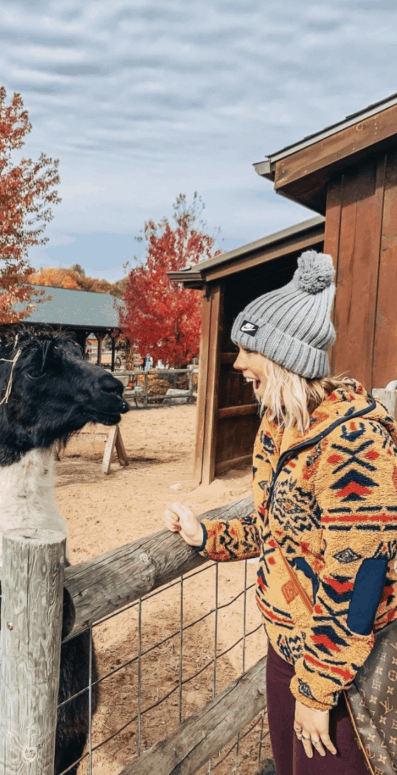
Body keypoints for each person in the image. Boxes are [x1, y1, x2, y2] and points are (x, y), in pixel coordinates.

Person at [165, 250, 397, 775]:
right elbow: (275, 526)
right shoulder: (279, 425)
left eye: (249, 350)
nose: (239, 362)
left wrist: (318, 692)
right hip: (285, 643)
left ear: (284, 358)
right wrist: (208, 535)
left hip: (342, 667)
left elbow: (362, 573)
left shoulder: (353, 442)